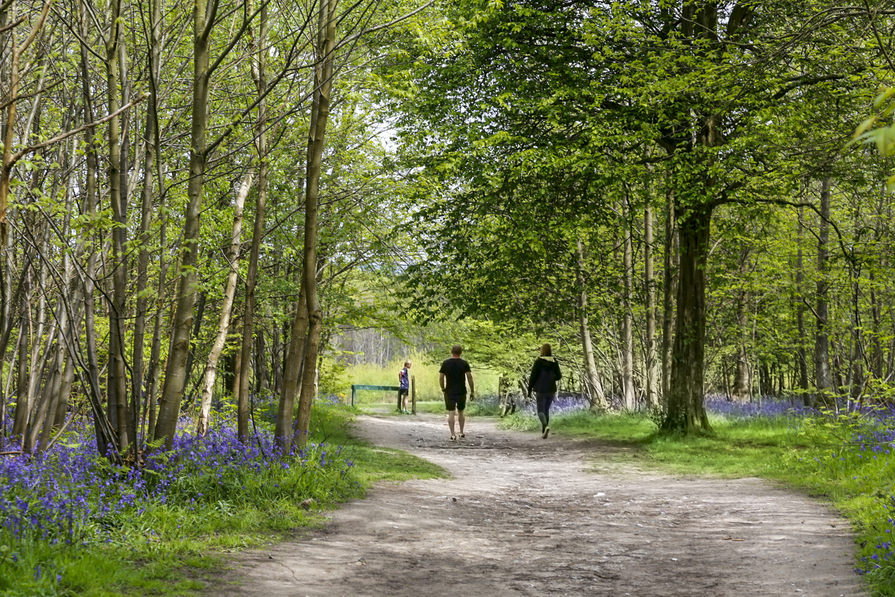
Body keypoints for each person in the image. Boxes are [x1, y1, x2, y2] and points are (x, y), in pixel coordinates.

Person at [439, 344, 474, 441]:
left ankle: (452, 434)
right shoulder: (464, 363)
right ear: (461, 352)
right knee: (461, 412)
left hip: (449, 390)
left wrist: (443, 388)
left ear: (451, 352)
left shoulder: (446, 363)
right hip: (461, 390)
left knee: (451, 413)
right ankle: (461, 432)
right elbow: (469, 377)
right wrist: (472, 391)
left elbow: (441, 377)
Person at [528, 343, 561, 439]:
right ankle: (544, 432)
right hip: (551, 389)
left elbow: (533, 377)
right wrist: (551, 378)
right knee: (546, 410)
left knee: (540, 411)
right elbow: (559, 376)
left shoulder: (538, 362)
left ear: (542, 351)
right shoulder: (554, 362)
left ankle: (545, 426)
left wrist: (529, 390)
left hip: (540, 389)